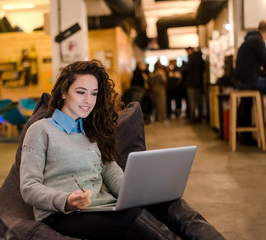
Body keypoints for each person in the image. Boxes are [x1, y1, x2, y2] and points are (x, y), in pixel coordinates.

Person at [20, 60, 225, 240]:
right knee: (133, 218)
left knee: (170, 204)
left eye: (94, 94)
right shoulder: (40, 130)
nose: (88, 100)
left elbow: (109, 170)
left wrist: (138, 192)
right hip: (63, 214)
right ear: (63, 92)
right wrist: (65, 200)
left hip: (101, 206)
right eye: (80, 92)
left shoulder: (92, 129)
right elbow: (28, 187)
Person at [233, 19, 266, 145]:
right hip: (249, 81)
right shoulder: (258, 41)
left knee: (246, 104)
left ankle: (245, 136)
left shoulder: (250, 39)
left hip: (241, 81)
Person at [182, 47, 205, 123]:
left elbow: (186, 69)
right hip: (199, 83)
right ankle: (199, 118)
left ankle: (192, 118)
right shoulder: (201, 59)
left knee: (192, 102)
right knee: (198, 102)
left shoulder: (191, 58)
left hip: (190, 84)